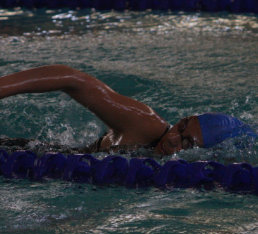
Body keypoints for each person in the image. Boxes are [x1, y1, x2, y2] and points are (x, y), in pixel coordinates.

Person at [0, 65, 256, 155]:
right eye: (181, 127)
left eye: (187, 144)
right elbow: (73, 79)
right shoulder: (146, 125)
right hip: (35, 155)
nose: (172, 138)